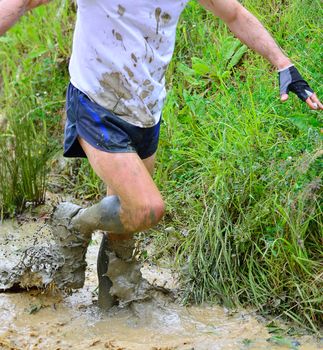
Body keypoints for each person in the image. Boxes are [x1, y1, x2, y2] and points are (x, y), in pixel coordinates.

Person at [1, 0, 322, 309]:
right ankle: (74, 222)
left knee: (123, 231)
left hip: (145, 111)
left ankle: (112, 310)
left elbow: (234, 14)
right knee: (146, 209)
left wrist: (283, 63)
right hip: (95, 102)